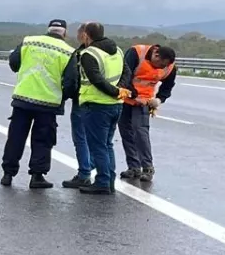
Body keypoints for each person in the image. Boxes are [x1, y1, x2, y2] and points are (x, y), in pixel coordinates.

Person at [0, 19, 75, 189]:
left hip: (22, 100)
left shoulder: (29, 41)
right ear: (64, 32)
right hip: (48, 104)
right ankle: (37, 176)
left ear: (48, 30)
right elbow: (71, 81)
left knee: (16, 137)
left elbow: (14, 63)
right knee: (43, 140)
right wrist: (63, 97)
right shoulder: (69, 51)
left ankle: (8, 174)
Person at [73, 22, 134, 195]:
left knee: (98, 146)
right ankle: (109, 181)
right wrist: (119, 91)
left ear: (86, 34)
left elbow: (96, 80)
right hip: (116, 106)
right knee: (107, 145)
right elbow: (126, 73)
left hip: (96, 105)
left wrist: (114, 92)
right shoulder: (118, 50)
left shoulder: (89, 54)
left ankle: (102, 182)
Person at [119, 43, 177, 183]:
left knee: (140, 132)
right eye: (160, 64)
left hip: (145, 102)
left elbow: (168, 85)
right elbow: (124, 75)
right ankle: (133, 167)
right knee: (126, 132)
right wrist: (134, 96)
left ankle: (147, 167)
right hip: (126, 97)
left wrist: (159, 99)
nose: (161, 68)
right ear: (156, 55)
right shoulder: (136, 53)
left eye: (164, 66)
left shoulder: (169, 66)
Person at [60, 37, 95, 188]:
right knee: (103, 141)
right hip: (107, 103)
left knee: (80, 139)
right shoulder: (115, 53)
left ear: (85, 36)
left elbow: (73, 79)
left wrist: (66, 96)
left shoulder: (81, 54)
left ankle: (84, 174)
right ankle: (105, 177)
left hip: (82, 100)